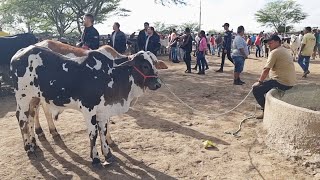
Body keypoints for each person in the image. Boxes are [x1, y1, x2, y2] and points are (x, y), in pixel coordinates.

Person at [252, 35, 296, 119]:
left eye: (270, 42)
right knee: (266, 85)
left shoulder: (275, 52)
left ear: (278, 42)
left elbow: (266, 69)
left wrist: (260, 82)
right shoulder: (284, 50)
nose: (268, 45)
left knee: (257, 89)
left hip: (282, 82)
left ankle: (267, 111)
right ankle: (267, 108)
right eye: (267, 43)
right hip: (289, 81)